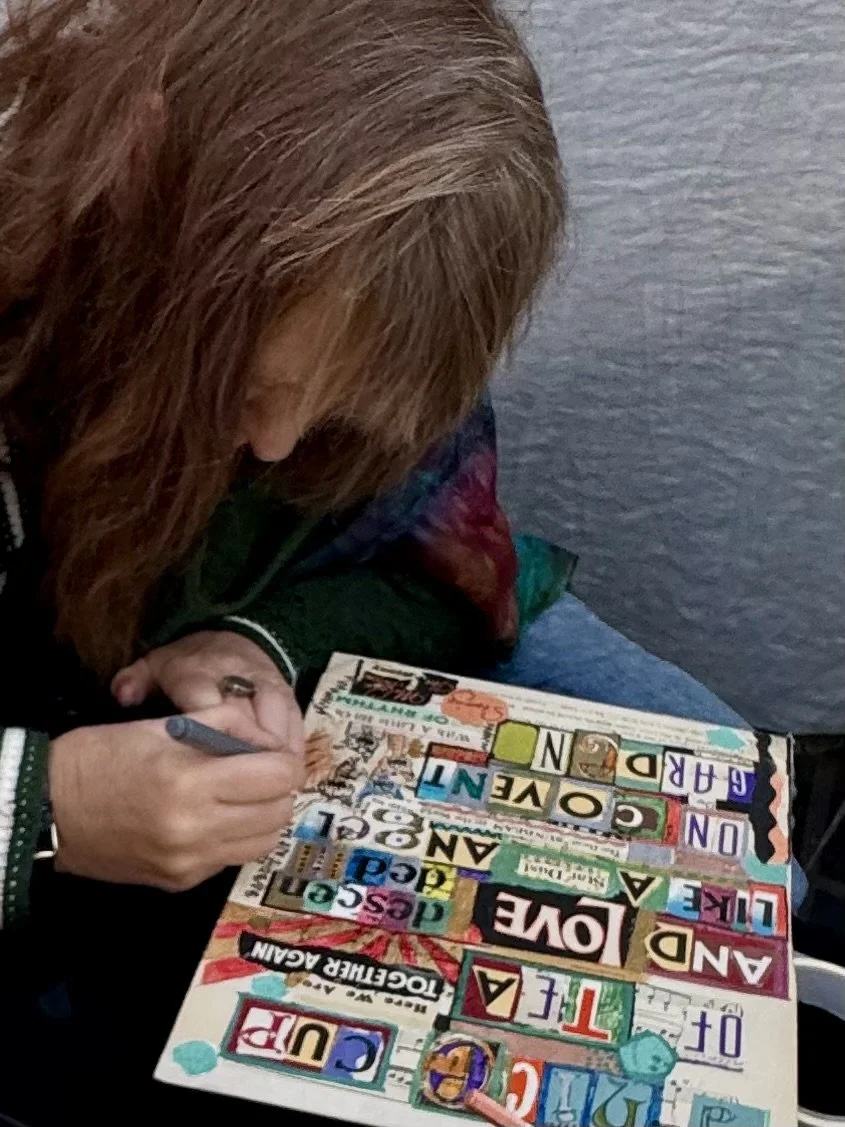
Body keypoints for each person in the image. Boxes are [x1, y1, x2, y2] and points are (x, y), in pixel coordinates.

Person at [0, 0, 743, 1120]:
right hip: (53, 724)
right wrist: (48, 806)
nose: (273, 449)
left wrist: (260, 638)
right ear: (144, 171)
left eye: (334, 411)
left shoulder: (389, 279)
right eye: (246, 384)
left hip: (312, 626)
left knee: (732, 834)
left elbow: (434, 557)